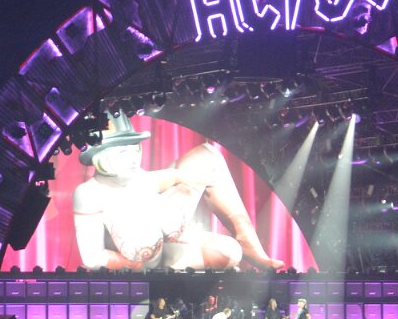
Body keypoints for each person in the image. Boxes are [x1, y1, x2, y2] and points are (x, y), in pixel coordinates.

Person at [71, 116, 284, 271]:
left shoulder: (141, 178)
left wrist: (187, 180)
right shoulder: (88, 193)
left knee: (208, 156)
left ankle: (247, 241)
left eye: (136, 148)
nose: (134, 158)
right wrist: (135, 267)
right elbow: (93, 257)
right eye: (124, 152)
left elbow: (166, 178)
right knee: (227, 253)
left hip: (167, 232)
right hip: (142, 255)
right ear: (102, 156)